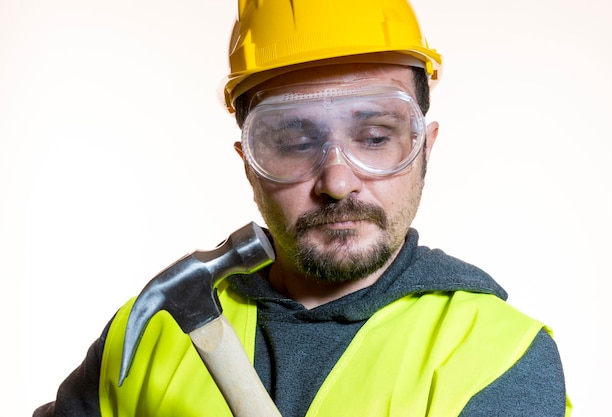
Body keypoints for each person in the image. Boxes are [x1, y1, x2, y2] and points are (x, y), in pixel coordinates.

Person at [34, 0, 572, 416]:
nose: (338, 181)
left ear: (424, 146)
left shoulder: (496, 355)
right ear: (249, 161)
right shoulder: (155, 333)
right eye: (293, 140)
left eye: (376, 135)